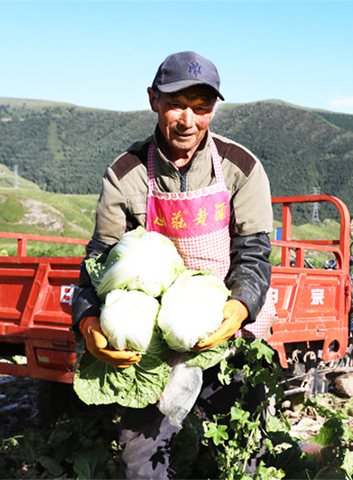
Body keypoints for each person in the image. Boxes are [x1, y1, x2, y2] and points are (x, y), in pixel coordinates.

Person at [71, 51, 276, 478]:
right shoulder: (125, 174)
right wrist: (88, 321)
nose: (188, 120)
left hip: (220, 327)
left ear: (213, 110)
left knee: (240, 449)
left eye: (201, 108)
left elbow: (254, 253)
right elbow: (99, 259)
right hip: (149, 344)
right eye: (175, 104)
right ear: (153, 101)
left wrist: (239, 308)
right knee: (141, 456)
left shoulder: (241, 167)